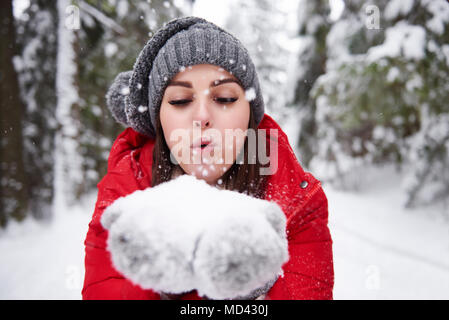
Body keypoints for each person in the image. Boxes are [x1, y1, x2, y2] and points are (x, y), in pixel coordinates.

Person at [82, 16, 334, 300]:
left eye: (224, 98)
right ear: (160, 122)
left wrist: (251, 288)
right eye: (180, 100)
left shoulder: (299, 207)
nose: (202, 117)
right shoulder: (123, 203)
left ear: (249, 116)